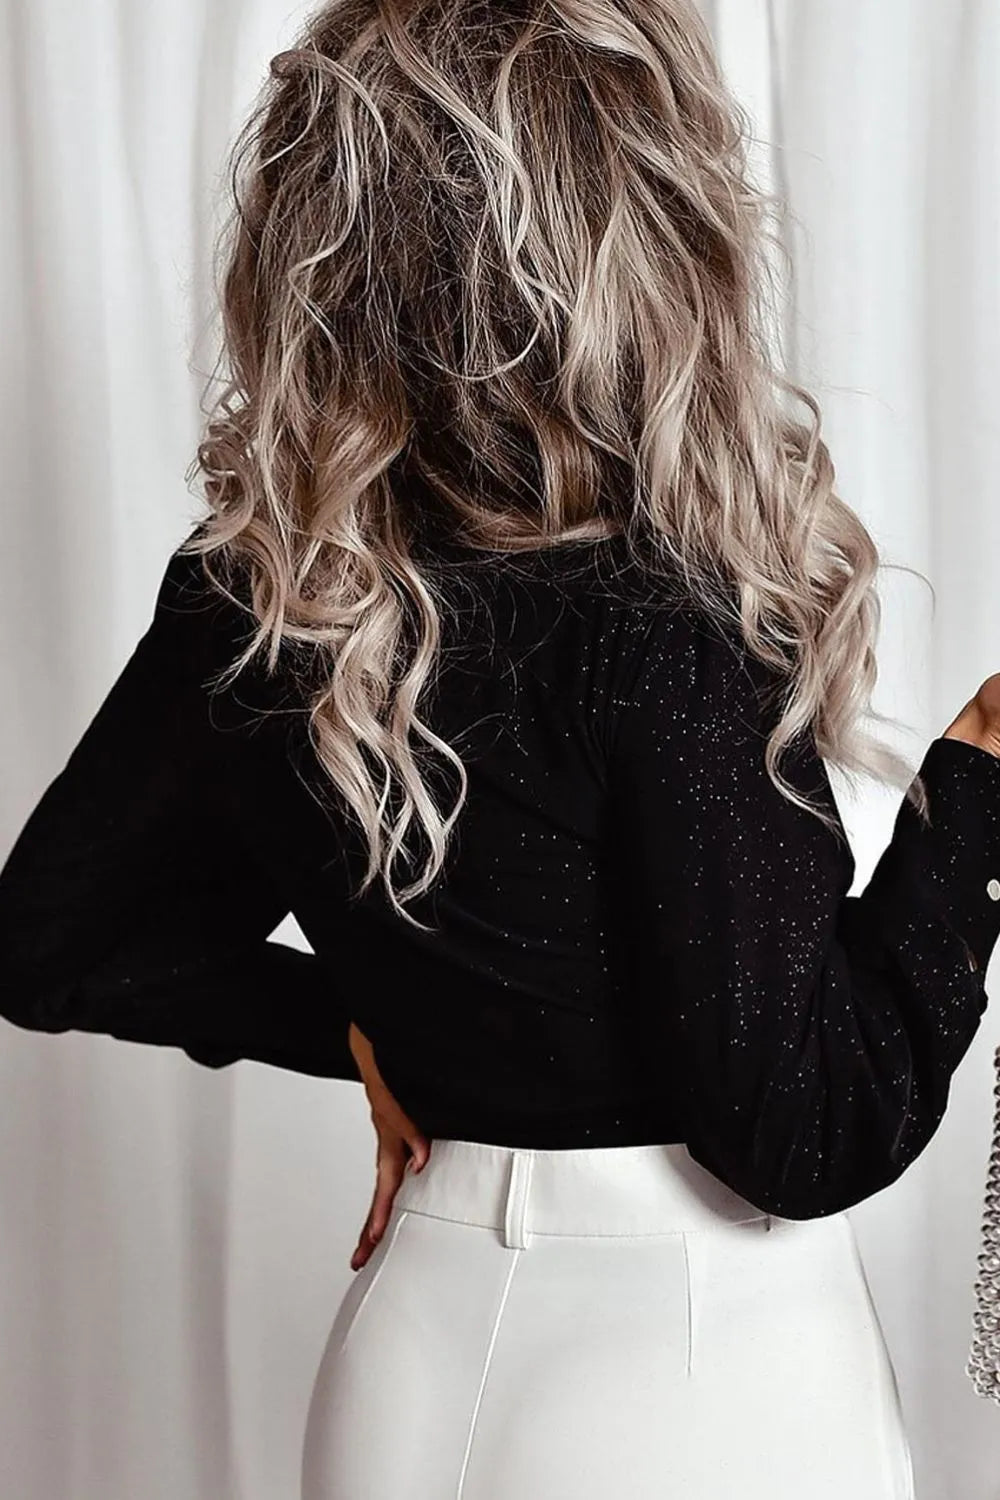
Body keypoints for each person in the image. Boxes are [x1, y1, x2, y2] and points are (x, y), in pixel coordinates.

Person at [2, 1, 999, 1495]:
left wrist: (351, 1027)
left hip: (413, 1350)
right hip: (705, 1368)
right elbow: (805, 1132)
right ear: (648, 228)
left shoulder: (260, 596)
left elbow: (50, 942)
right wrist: (971, 797)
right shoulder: (661, 612)